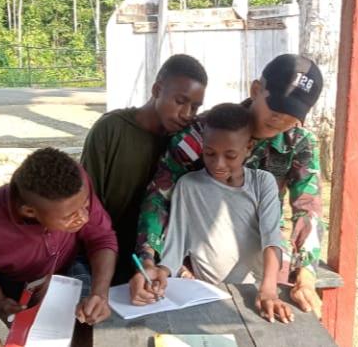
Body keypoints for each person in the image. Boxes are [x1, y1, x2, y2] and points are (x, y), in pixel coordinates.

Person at [133, 54, 324, 317]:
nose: (281, 120)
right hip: (199, 261)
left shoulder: (298, 143)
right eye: (276, 109)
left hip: (265, 261)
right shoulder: (205, 133)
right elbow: (159, 197)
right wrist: (148, 257)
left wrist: (306, 273)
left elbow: (308, 208)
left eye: (292, 115)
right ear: (256, 90)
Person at [0, 147, 118, 328]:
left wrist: (100, 293)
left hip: (60, 266)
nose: (84, 218)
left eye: (86, 205)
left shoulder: (75, 183)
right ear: (29, 211)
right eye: (69, 216)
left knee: (79, 323)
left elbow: (101, 238)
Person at [152, 103, 293, 324]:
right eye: (209, 153)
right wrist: (162, 271)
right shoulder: (189, 186)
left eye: (230, 155)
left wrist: (268, 287)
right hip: (209, 293)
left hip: (256, 290)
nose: (218, 164)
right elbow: (176, 244)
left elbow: (271, 238)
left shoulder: (261, 183)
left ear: (248, 147)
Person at [81, 54, 207, 283]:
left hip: (155, 262)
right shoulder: (111, 129)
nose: (187, 114)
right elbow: (87, 200)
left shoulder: (185, 145)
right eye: (180, 101)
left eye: (195, 107)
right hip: (101, 256)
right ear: (157, 90)